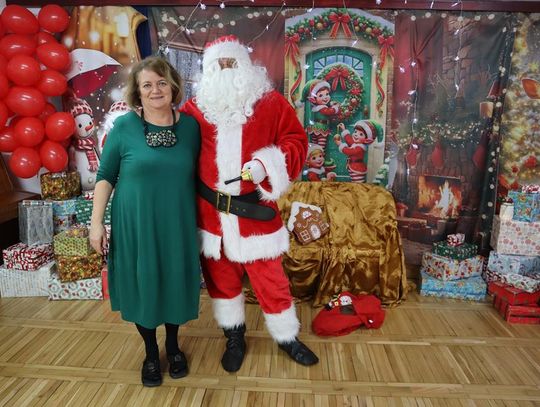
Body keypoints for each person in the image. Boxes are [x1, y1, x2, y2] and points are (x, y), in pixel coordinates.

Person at [181, 35, 319, 373]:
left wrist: (266, 164)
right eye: (219, 64)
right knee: (221, 281)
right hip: (211, 217)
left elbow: (296, 141)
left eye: (232, 63)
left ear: (245, 65)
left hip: (254, 214)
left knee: (271, 280)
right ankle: (234, 336)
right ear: (208, 70)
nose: (227, 69)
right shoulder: (194, 109)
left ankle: (287, 337)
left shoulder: (271, 103)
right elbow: (176, 151)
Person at [89, 56, 201, 387]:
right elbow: (105, 176)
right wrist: (96, 223)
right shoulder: (124, 127)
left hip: (176, 222)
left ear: (173, 86)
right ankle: (151, 353)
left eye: (162, 82)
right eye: (147, 85)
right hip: (135, 223)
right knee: (143, 284)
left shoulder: (191, 127)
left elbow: (203, 174)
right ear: (137, 92)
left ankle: (173, 347)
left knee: (174, 282)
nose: (156, 90)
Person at [302, 79, 340, 152]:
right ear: (314, 99)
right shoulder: (321, 108)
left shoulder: (317, 108)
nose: (325, 97)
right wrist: (335, 108)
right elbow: (328, 112)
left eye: (327, 94)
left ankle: (314, 154)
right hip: (321, 127)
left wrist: (331, 104)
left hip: (315, 127)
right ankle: (319, 155)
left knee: (315, 143)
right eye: (320, 95)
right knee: (321, 145)